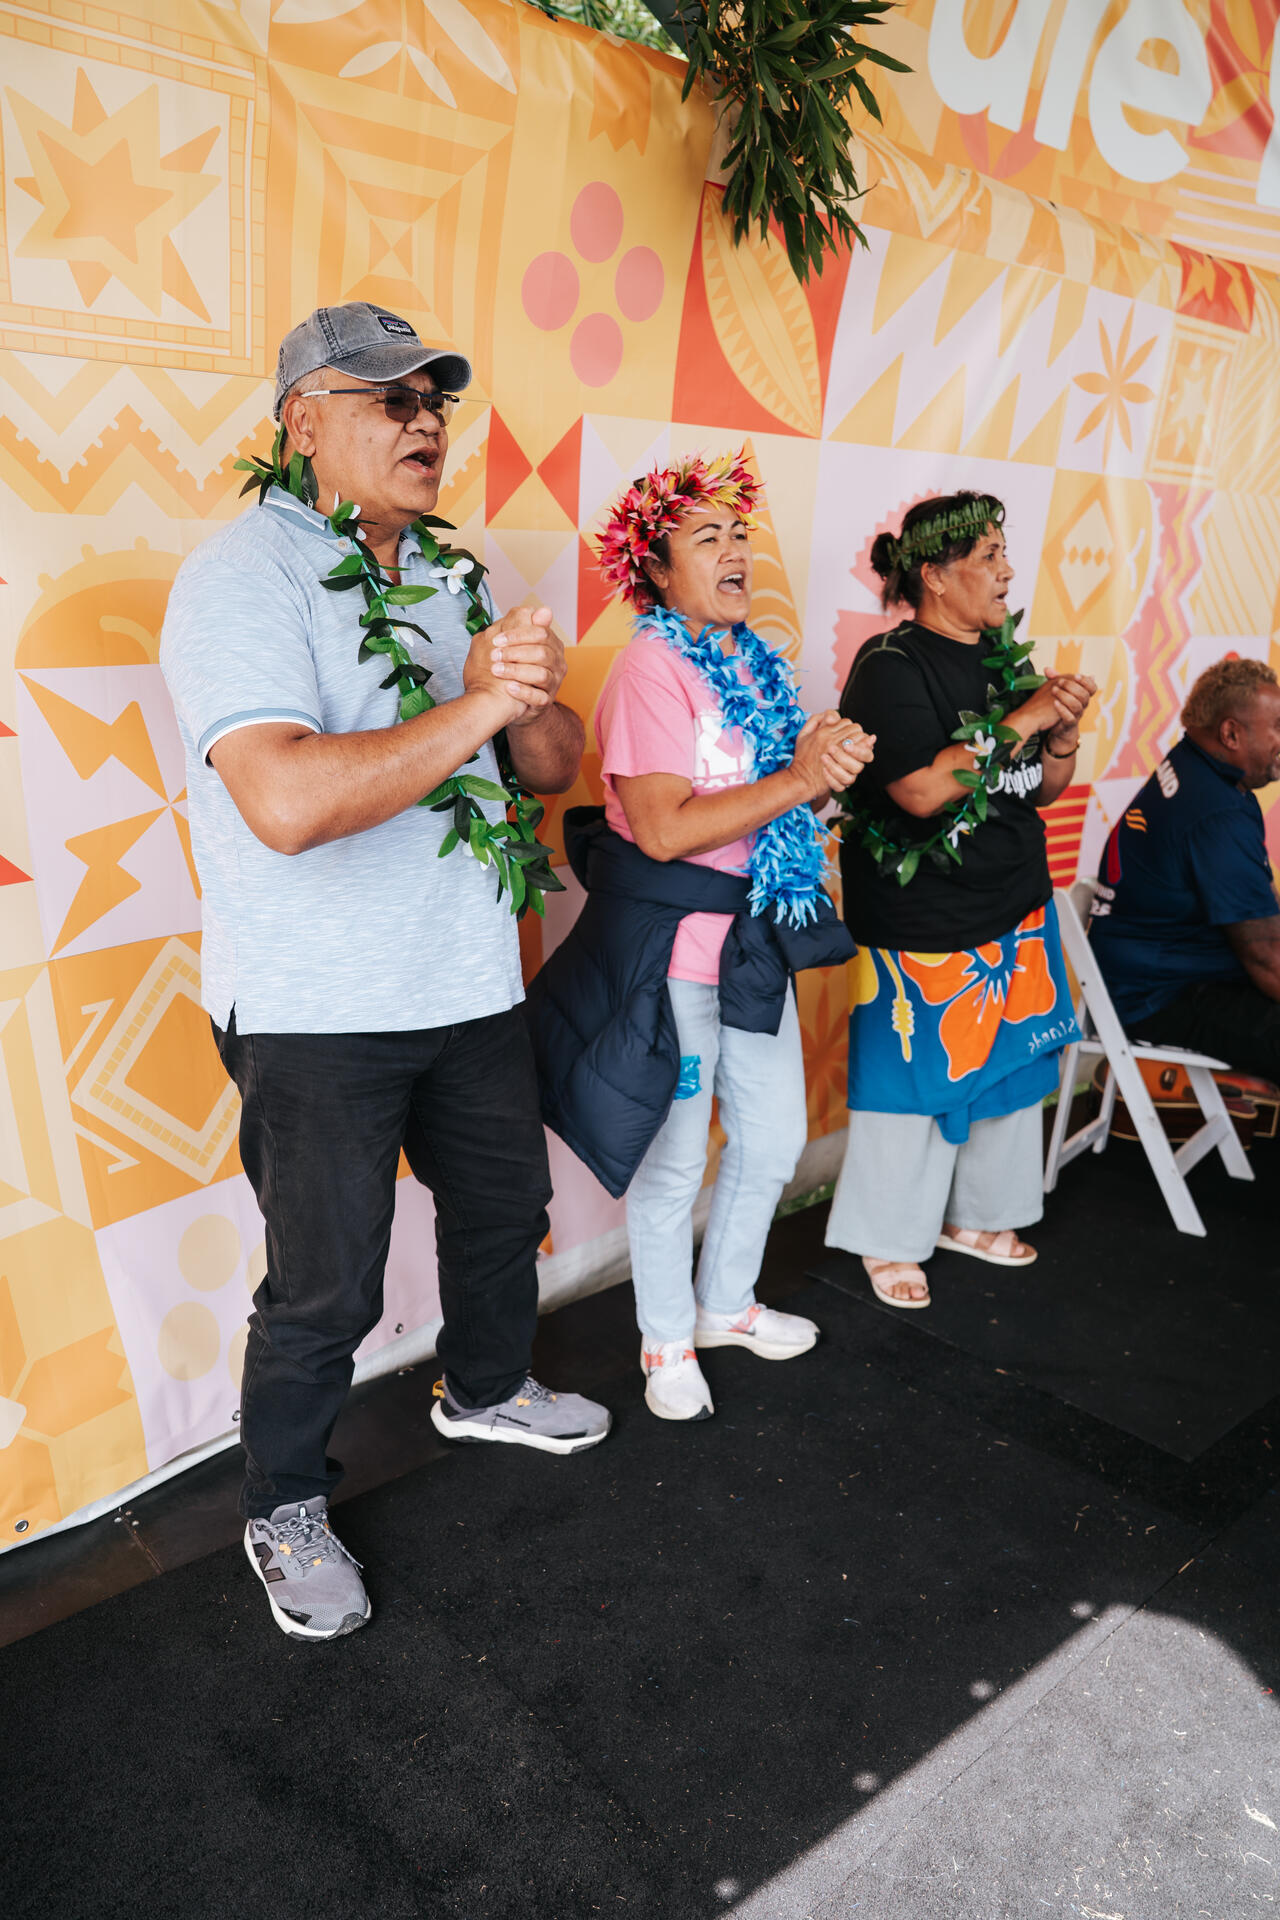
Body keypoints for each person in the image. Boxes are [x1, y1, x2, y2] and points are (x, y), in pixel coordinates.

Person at [160, 302, 610, 1643]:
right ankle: (282, 1502)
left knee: (500, 1209)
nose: (425, 422)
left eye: (436, 401)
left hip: (466, 981)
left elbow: (545, 769)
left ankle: (481, 1388)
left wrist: (528, 695)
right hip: (316, 1009)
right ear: (299, 423)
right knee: (330, 1284)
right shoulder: (239, 579)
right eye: (386, 399)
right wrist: (472, 700)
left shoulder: (456, 575)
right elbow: (286, 802)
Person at [526, 453, 872, 1421]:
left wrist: (819, 768)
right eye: (705, 537)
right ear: (657, 570)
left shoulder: (751, 661)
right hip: (672, 964)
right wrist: (800, 780)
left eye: (738, 534)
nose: (735, 552)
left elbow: (769, 805)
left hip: (750, 950)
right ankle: (665, 1340)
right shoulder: (648, 669)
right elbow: (669, 826)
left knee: (770, 1139)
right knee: (674, 1160)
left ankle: (725, 1306)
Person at [825, 491, 1096, 1309]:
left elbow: (1039, 791)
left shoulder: (1004, 661)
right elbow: (919, 790)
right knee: (910, 1089)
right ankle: (886, 1239)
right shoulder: (889, 667)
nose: (1008, 570)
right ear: (936, 578)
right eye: (989, 557)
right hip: (922, 926)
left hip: (1015, 907)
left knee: (1011, 1079)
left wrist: (1062, 737)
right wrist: (1030, 714)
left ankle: (978, 1217)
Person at [1088, 656, 1280, 1075]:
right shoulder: (1214, 813)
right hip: (1158, 997)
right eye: (1277, 727)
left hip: (1151, 977)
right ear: (1231, 732)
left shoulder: (1192, 767)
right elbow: (1266, 959)